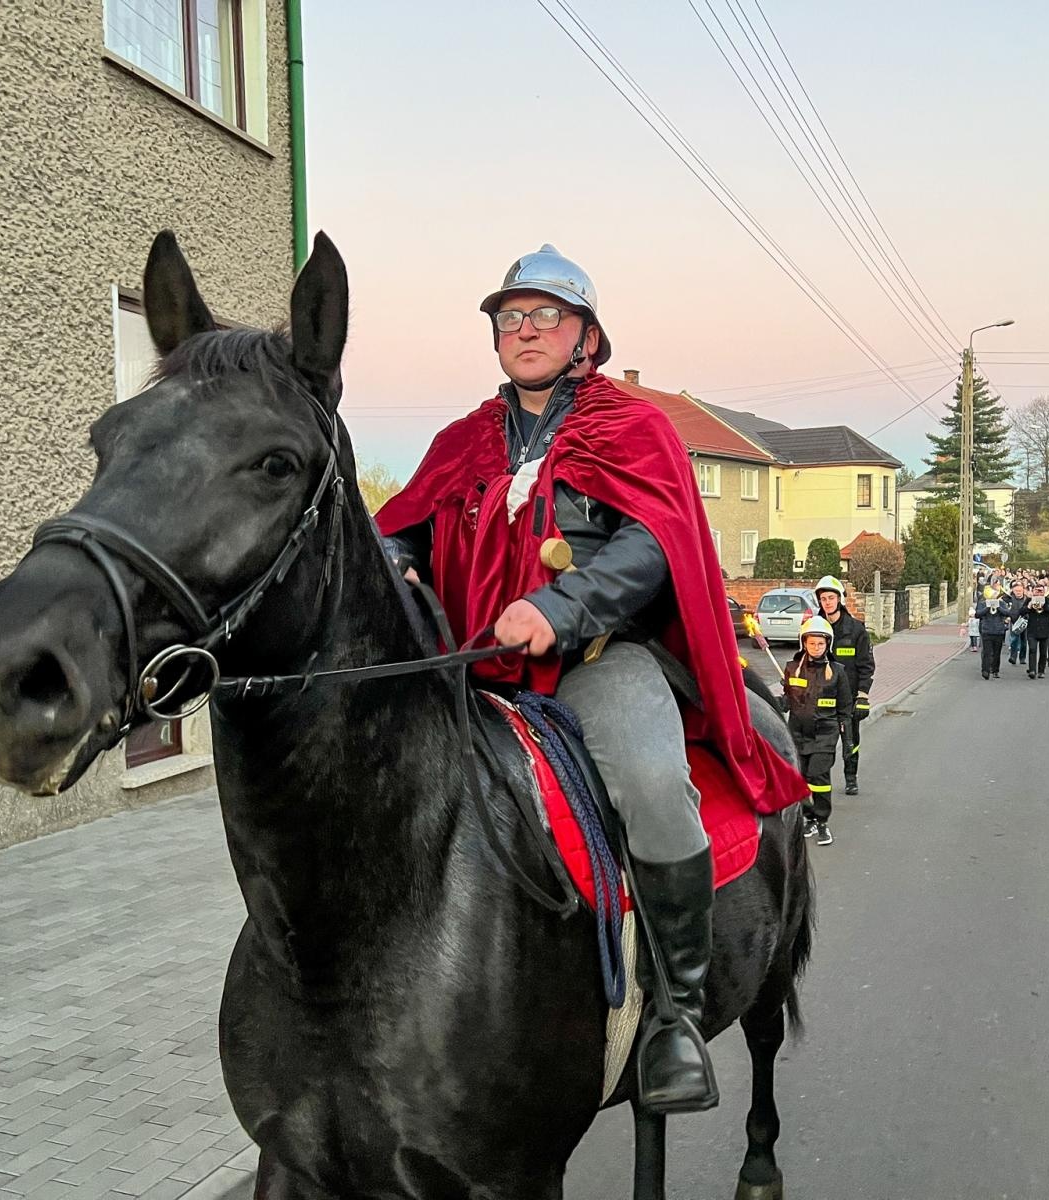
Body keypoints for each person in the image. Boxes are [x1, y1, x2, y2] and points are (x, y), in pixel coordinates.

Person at [375, 244, 806, 1113]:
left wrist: (561, 608)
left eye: (545, 315)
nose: (525, 330)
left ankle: (676, 1018)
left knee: (651, 784)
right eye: (510, 317)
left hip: (597, 667)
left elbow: (655, 545)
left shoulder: (633, 428)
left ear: (586, 335)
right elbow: (401, 529)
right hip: (472, 679)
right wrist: (397, 566)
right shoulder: (459, 443)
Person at [784, 616, 852, 846]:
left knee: (818, 777)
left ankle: (822, 821)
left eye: (820, 644)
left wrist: (848, 740)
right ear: (804, 643)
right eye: (812, 643)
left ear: (828, 645)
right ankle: (808, 817)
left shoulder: (837, 671)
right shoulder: (792, 669)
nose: (816, 647)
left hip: (825, 734)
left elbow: (845, 708)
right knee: (800, 779)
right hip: (797, 734)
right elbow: (787, 701)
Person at [813, 576, 874, 796]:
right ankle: (820, 784)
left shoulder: (856, 630)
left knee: (850, 741)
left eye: (831, 598)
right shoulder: (813, 629)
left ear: (840, 600)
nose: (827, 602)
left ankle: (851, 778)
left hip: (847, 699)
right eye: (823, 599)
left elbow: (866, 666)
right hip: (820, 698)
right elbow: (802, 660)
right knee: (820, 746)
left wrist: (862, 696)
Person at [1017, 584, 1049, 679]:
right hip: (1032, 629)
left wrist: (1044, 605)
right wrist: (1028, 607)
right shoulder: (1029, 600)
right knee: (1032, 649)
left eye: (1041, 591)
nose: (1039, 593)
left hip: (1045, 630)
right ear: (1033, 591)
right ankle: (1032, 670)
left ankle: (1041, 670)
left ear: (1044, 592)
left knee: (1043, 652)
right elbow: (1021, 612)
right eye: (1037, 591)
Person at [976, 587, 1008, 679]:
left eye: (995, 596)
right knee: (987, 652)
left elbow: (1007, 613)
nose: (993, 598)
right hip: (987, 630)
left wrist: (998, 607)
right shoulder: (982, 604)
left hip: (999, 631)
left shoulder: (1002, 603)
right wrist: (988, 607)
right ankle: (985, 670)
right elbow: (977, 614)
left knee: (997, 652)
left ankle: (995, 670)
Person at [1005, 579, 1029, 666]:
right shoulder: (1009, 598)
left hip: (1024, 621)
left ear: (1023, 590)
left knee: (1024, 641)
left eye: (1020, 590)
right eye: (1016, 591)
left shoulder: (1027, 599)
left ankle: (1022, 658)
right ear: (1013, 591)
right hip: (1014, 621)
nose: (1018, 592)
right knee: (1014, 640)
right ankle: (1013, 657)